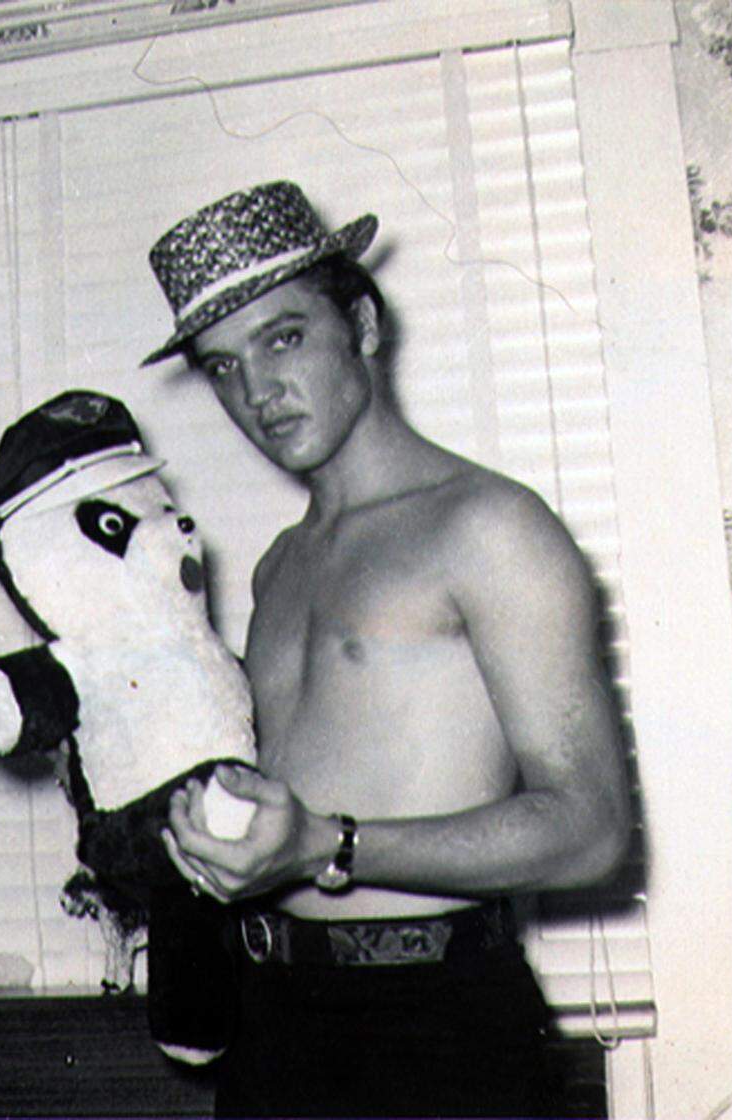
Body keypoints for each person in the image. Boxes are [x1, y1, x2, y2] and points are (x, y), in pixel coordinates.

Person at [143, 181, 632, 1118]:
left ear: (362, 324)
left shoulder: (489, 528)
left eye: (284, 337)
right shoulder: (279, 567)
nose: (257, 392)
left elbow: (592, 828)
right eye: (223, 365)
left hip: (439, 1028)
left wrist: (328, 847)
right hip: (272, 1024)